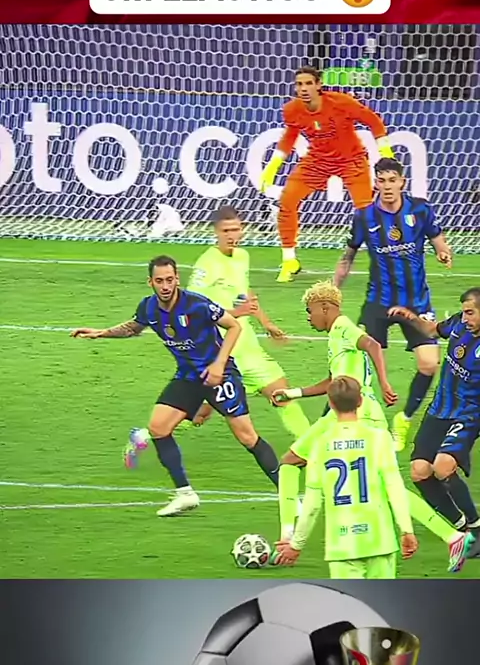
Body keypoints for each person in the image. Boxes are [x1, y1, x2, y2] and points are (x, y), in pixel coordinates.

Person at [272, 281, 474, 574]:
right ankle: (453, 537)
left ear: (325, 307)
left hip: (355, 411)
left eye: (310, 311)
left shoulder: (343, 327)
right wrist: (293, 394)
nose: (308, 317)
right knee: (380, 482)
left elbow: (372, 344)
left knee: (291, 462)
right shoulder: (337, 336)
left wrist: (385, 383)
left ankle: (288, 537)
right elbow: (333, 382)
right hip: (354, 408)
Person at [70, 255, 280, 517]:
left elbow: (234, 326)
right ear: (151, 282)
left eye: (170, 280)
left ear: (177, 279)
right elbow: (133, 327)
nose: (166, 286)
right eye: (160, 281)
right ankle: (185, 494)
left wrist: (219, 364)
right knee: (158, 428)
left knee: (247, 437)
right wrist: (101, 332)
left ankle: (287, 492)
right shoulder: (149, 307)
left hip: (220, 374)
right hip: (188, 376)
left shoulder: (196, 304)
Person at [334, 157, 453, 452]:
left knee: (429, 364)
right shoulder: (364, 216)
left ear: (402, 182)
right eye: (382, 180)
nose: (387, 186)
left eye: (392, 180)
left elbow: (438, 240)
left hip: (416, 302)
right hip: (379, 302)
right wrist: (334, 289)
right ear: (375, 183)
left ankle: (404, 419)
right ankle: (340, 423)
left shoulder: (420, 210)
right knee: (355, 366)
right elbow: (348, 256)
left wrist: (443, 252)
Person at [274, 376, 418, 579]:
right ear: (360, 401)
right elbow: (394, 487)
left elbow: (312, 504)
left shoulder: (320, 444)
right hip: (380, 540)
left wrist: (296, 545)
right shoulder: (379, 438)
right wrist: (406, 529)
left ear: (331, 404)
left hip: (342, 545)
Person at [259, 66, 394, 283]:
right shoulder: (292, 109)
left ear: (319, 85)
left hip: (351, 159)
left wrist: (386, 152)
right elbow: (290, 135)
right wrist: (273, 165)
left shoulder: (342, 102)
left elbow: (373, 121)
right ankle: (289, 261)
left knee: (366, 212)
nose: (304, 88)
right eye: (299, 84)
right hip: (317, 161)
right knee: (287, 201)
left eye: (308, 83)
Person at [186, 205, 310, 439]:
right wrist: (235, 312)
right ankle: (146, 436)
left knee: (281, 394)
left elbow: (245, 293)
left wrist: (266, 323)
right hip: (221, 353)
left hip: (247, 347)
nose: (231, 235)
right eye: (226, 231)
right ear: (216, 232)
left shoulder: (242, 256)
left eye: (236, 229)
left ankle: (311, 448)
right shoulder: (207, 264)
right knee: (200, 414)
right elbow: (191, 309)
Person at [388, 290, 480, 554]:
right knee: (419, 471)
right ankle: (462, 527)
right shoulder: (458, 324)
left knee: (442, 465)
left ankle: (477, 528)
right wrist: (410, 318)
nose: (465, 317)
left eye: (471, 312)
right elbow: (432, 330)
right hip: (440, 409)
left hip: (469, 413)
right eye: (464, 312)